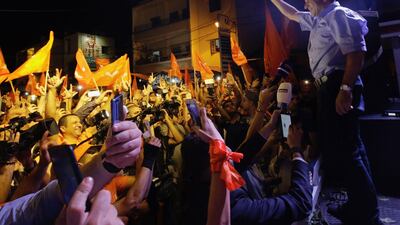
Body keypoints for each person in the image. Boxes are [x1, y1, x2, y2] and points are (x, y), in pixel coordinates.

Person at [270, 0, 381, 224]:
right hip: (328, 88)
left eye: (308, 0)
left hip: (337, 85)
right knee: (349, 149)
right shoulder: (319, 19)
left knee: (348, 152)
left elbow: (356, 54)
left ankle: (368, 215)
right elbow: (292, 13)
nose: (304, 3)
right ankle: (359, 205)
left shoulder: (338, 15)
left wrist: (345, 89)